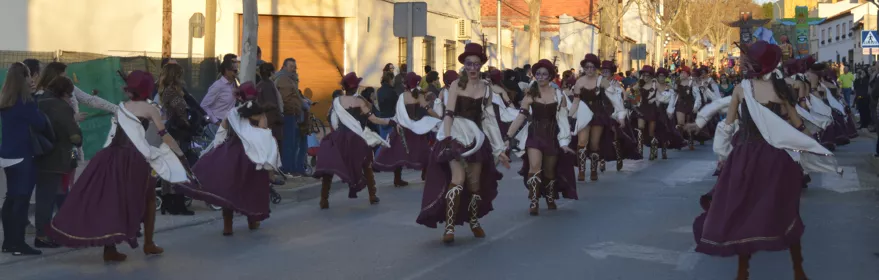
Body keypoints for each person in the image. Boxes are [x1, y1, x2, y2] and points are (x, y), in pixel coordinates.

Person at [690, 41, 840, 280]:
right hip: (775, 159)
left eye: (745, 59)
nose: (740, 62)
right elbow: (797, 124)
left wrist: (722, 155)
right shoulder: (778, 90)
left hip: (745, 158)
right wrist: (815, 145)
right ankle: (797, 268)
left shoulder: (742, 88)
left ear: (755, 65)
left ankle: (743, 272)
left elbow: (727, 126)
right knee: (785, 212)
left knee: (740, 209)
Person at [48, 71, 189, 262]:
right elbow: (164, 135)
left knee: (111, 199)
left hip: (111, 155)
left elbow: (114, 134)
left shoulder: (122, 107)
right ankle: (148, 243)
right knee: (148, 199)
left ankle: (110, 248)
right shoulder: (150, 109)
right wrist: (180, 154)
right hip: (134, 158)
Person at [416, 43, 511, 244]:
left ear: (482, 65)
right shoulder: (456, 85)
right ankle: (449, 227)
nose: (473, 68)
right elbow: (448, 114)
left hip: (476, 140)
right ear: (464, 65)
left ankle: (474, 221)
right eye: (469, 64)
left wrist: (499, 148)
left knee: (474, 183)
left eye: (476, 64)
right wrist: (448, 139)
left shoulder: (487, 89)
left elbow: (489, 120)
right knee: (457, 179)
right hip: (456, 136)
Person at [176, 83, 279, 236]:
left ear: (239, 96)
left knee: (229, 188)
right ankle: (253, 219)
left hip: (232, 152)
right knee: (251, 186)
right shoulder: (259, 114)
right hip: (252, 155)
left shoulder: (232, 112)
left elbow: (221, 132)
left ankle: (227, 225)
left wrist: (215, 151)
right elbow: (263, 135)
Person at [504, 59, 577, 216]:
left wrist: (564, 141)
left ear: (550, 76)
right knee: (535, 167)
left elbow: (563, 120)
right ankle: (534, 200)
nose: (541, 77)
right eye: (538, 74)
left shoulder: (558, 95)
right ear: (535, 75)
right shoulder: (530, 95)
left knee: (550, 171)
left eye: (545, 74)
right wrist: (508, 135)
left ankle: (550, 197)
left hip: (552, 136)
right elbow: (520, 117)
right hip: (534, 135)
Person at [312, 72, 395, 209]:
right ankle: (372, 195)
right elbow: (373, 119)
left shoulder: (337, 101)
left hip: (338, 137)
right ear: (356, 87)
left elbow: (330, 118)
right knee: (366, 165)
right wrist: (388, 122)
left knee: (330, 167)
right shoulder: (360, 101)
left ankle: (324, 199)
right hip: (356, 137)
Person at [0, 62, 48, 256]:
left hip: (6, 154)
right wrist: (35, 98)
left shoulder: (5, 100)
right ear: (24, 77)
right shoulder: (26, 102)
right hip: (23, 155)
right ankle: (18, 244)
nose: (32, 79)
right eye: (29, 75)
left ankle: (8, 242)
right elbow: (41, 123)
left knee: (10, 199)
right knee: (21, 200)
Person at [32, 76, 82, 249]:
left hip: (38, 154)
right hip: (59, 158)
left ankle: (50, 231)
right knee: (50, 197)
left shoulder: (37, 101)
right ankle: (43, 235)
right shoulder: (62, 107)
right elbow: (74, 135)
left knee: (43, 196)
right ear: (65, 92)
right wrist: (78, 141)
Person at [373, 73, 441, 187]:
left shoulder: (403, 96)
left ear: (405, 84)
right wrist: (439, 118)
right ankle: (425, 174)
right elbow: (429, 110)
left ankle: (397, 179)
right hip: (417, 128)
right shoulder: (419, 95)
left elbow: (399, 113)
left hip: (404, 128)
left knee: (398, 153)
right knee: (423, 151)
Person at [157, 63, 196, 216]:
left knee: (172, 167)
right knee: (179, 166)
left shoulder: (167, 91)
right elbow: (179, 110)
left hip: (173, 131)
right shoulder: (171, 92)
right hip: (176, 133)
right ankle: (176, 203)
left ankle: (170, 202)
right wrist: (188, 120)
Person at [275, 58, 307, 176]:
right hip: (288, 114)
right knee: (289, 143)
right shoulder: (283, 79)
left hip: (293, 114)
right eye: (291, 66)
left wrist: (302, 102)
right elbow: (287, 99)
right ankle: (287, 168)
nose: (293, 68)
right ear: (284, 66)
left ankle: (292, 168)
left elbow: (294, 96)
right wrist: (300, 105)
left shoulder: (290, 79)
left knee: (293, 142)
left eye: (295, 66)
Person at [202, 59, 240, 140]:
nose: (237, 73)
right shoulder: (218, 86)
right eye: (235, 71)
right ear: (227, 71)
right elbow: (204, 105)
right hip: (218, 123)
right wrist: (216, 122)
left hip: (229, 123)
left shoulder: (233, 84)